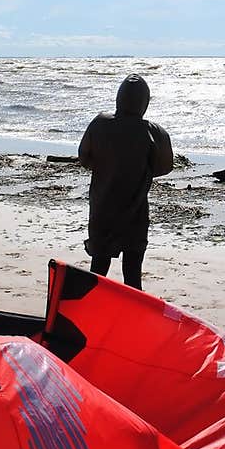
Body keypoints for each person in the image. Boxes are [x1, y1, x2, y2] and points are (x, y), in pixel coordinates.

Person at [77, 73, 174, 290]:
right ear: (144, 102)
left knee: (98, 268)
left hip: (103, 209)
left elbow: (84, 158)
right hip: (136, 212)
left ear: (119, 98)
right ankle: (131, 317)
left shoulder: (100, 124)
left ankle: (90, 310)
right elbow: (164, 167)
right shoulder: (154, 132)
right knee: (132, 276)